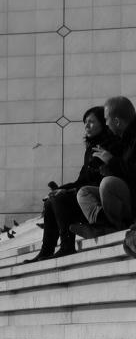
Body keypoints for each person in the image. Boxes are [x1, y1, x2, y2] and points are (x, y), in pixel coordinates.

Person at [71, 96, 136, 239]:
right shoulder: (127, 139)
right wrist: (109, 169)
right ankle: (103, 225)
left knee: (108, 184)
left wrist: (112, 161)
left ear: (117, 121)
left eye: (107, 119)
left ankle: (112, 227)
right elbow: (129, 172)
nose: (106, 124)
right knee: (84, 193)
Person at [23, 107, 118, 263]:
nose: (86, 126)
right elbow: (81, 180)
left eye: (92, 122)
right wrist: (60, 189)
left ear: (103, 124)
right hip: (84, 194)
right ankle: (46, 250)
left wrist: (68, 191)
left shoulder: (110, 146)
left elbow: (99, 181)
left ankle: (67, 245)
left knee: (60, 200)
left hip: (98, 200)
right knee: (51, 200)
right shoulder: (91, 149)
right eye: (85, 122)